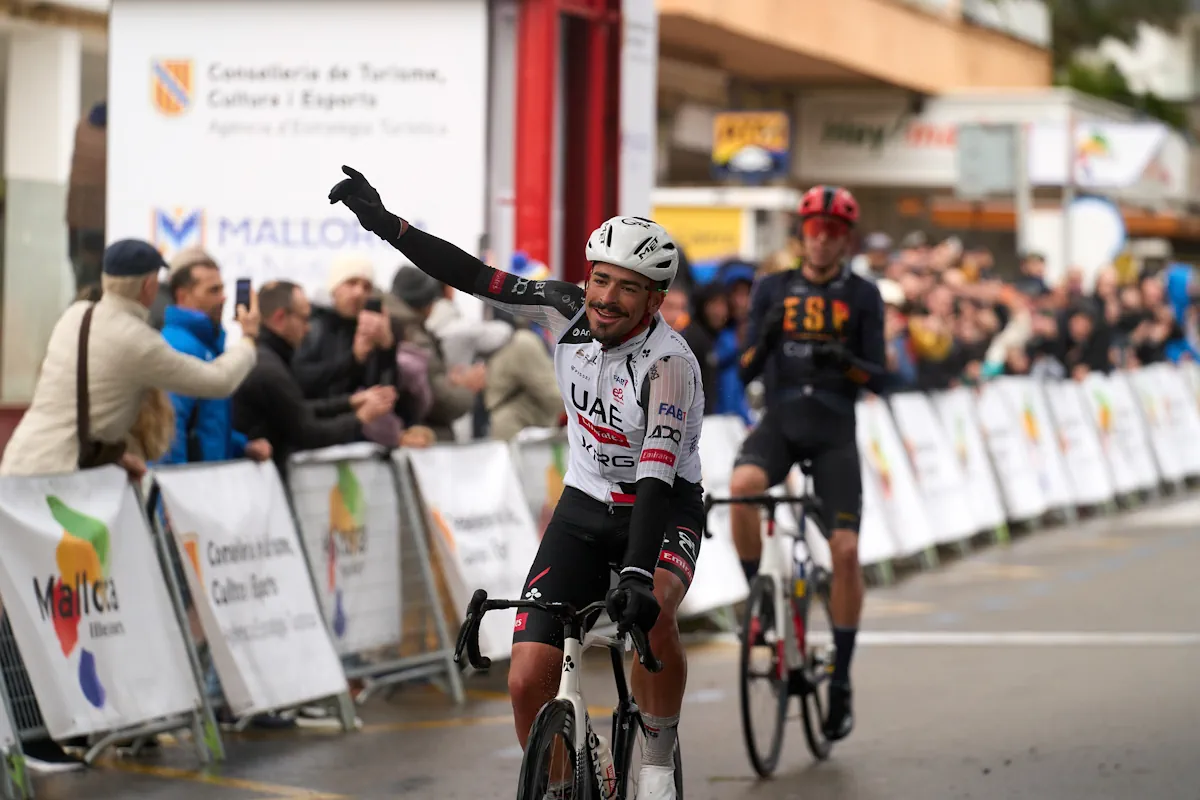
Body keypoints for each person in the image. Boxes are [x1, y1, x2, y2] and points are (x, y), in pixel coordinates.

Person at [330, 165, 705, 800]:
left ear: (654, 301)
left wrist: (638, 577)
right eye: (601, 280)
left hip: (662, 506)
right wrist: (386, 225)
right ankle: (560, 785)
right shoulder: (563, 308)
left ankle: (659, 761)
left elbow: (654, 479)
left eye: (628, 289)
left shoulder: (669, 366)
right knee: (526, 676)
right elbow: (472, 276)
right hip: (585, 504)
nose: (607, 298)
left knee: (654, 615)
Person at [732, 185, 888, 744]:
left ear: (845, 240)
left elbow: (882, 377)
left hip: (833, 431)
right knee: (742, 486)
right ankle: (761, 606)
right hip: (780, 421)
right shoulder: (771, 288)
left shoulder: (865, 295)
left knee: (845, 552)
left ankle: (841, 679)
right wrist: (768, 334)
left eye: (833, 234)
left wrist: (846, 363)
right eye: (813, 232)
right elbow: (745, 370)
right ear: (802, 237)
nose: (821, 242)